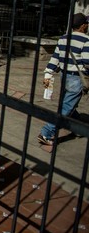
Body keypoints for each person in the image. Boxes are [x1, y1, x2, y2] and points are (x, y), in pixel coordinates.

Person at [38, 13, 89, 148]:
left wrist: (48, 74)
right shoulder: (86, 40)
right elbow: (87, 62)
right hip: (76, 78)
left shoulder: (63, 39)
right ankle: (46, 133)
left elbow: (55, 58)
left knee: (68, 102)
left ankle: (76, 124)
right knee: (67, 105)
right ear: (83, 26)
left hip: (64, 75)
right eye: (87, 24)